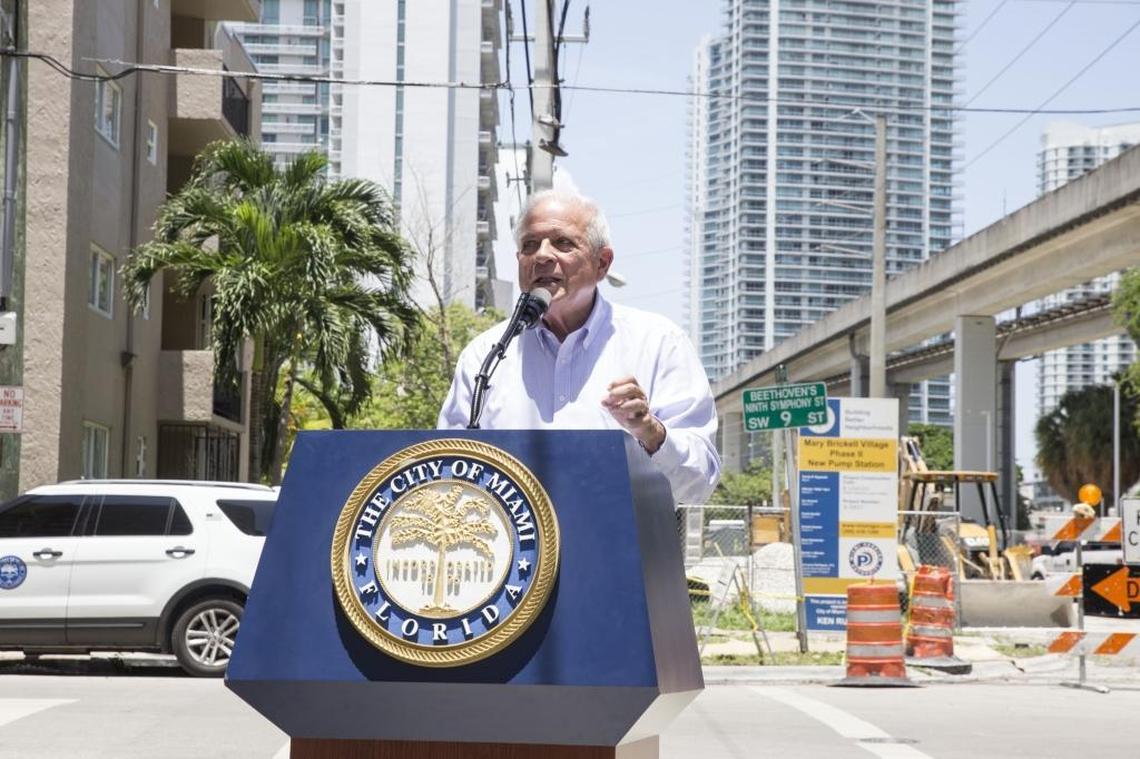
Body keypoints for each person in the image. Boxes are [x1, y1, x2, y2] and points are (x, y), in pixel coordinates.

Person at [438, 189, 721, 504]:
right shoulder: (485, 356)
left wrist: (651, 434)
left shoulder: (659, 343)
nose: (542, 256)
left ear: (602, 263)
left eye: (563, 243)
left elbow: (698, 485)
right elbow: (446, 476)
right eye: (529, 245)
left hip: (618, 536)